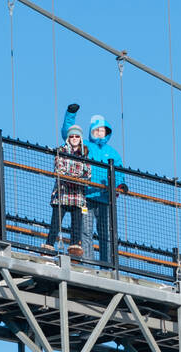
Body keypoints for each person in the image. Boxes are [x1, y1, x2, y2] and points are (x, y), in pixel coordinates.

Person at [62, 103, 127, 266]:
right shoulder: (86, 146)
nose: (99, 133)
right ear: (91, 132)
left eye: (102, 130)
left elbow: (118, 171)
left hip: (106, 198)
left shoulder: (112, 153)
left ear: (107, 133)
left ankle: (109, 265)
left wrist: (121, 185)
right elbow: (69, 135)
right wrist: (70, 114)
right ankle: (88, 264)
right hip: (87, 195)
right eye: (96, 130)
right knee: (85, 231)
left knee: (107, 234)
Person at [40, 124, 90, 259]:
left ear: (80, 138)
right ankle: (49, 246)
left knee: (76, 223)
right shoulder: (61, 150)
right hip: (62, 193)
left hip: (77, 196)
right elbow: (59, 169)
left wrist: (71, 177)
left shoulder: (85, 154)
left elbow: (87, 173)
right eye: (72, 136)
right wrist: (75, 178)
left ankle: (74, 249)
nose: (74, 138)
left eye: (77, 136)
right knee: (56, 222)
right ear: (68, 138)